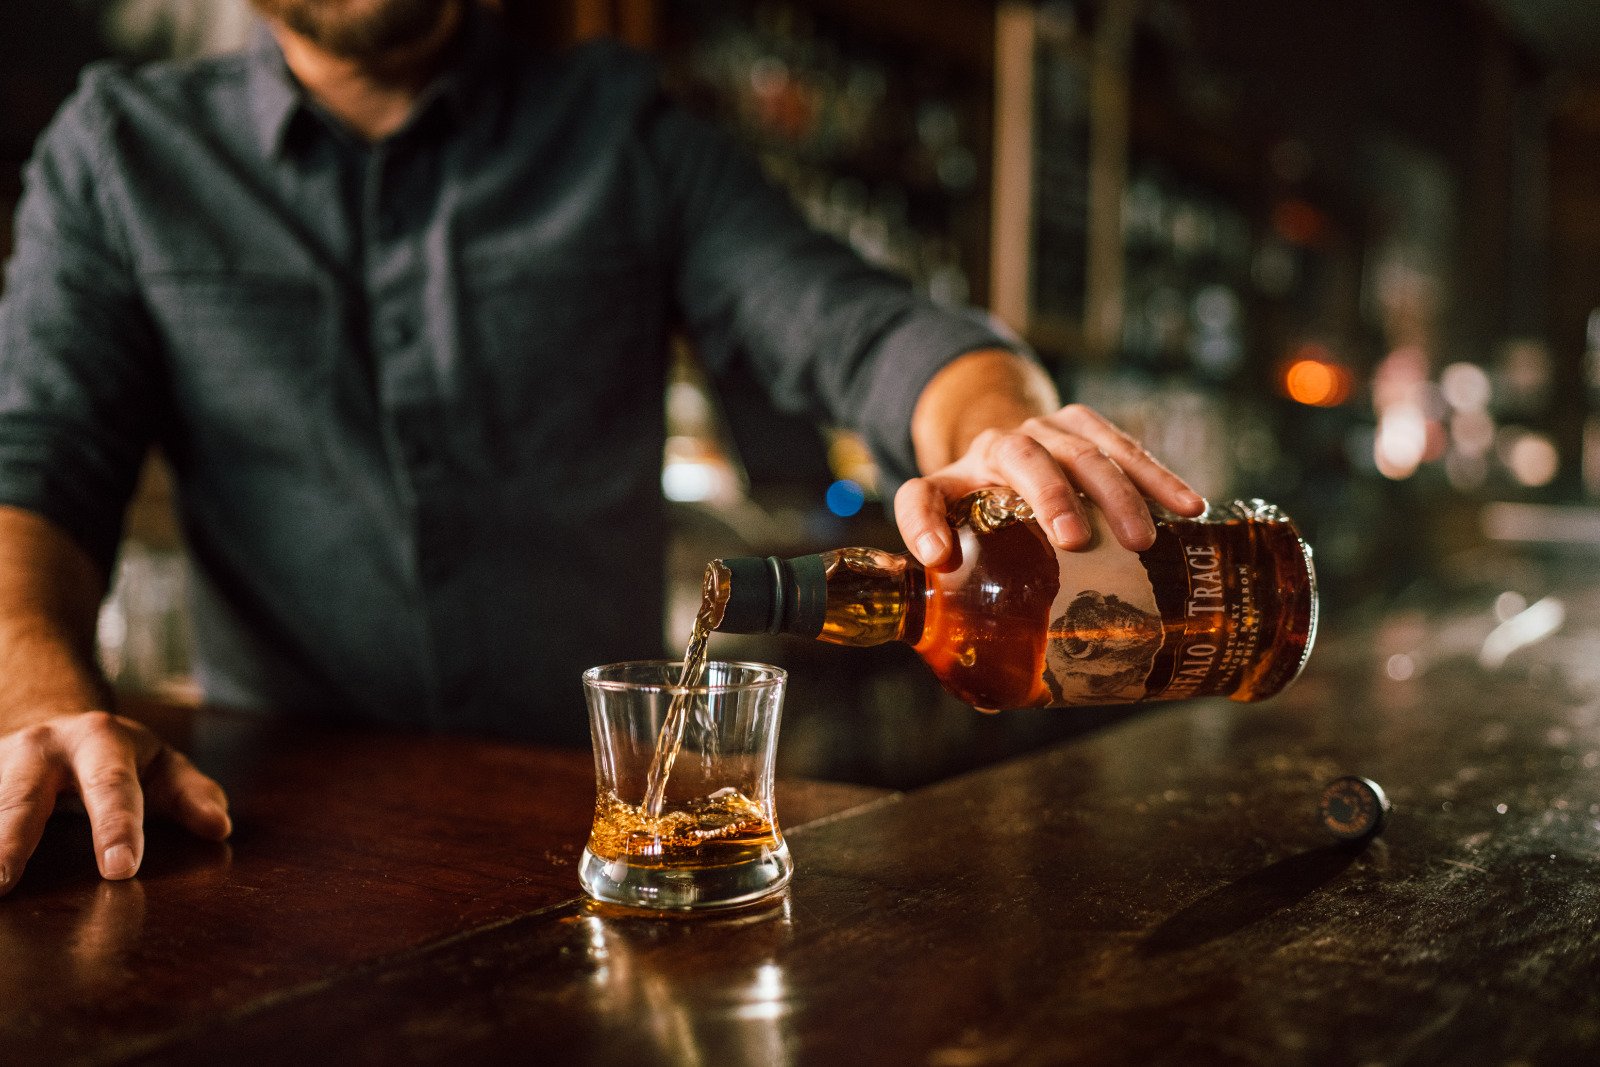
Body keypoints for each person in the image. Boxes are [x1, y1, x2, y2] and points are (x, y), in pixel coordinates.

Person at [0, 0, 1202, 896]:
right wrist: (44, 706)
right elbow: (34, 464)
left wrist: (993, 423)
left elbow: (859, 325)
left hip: (587, 833)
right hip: (264, 841)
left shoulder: (621, 128)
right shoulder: (118, 154)